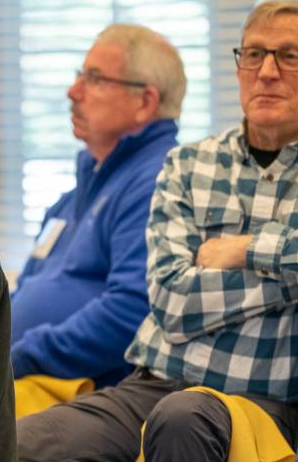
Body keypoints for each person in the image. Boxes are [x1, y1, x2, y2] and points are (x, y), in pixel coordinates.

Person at [11, 0, 298, 462]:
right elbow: (173, 300)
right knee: (2, 453)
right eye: (254, 54)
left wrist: (248, 250)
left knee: (184, 416)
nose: (266, 71)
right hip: (147, 388)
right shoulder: (188, 165)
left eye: (290, 56)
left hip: (258, 404)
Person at [11, 24, 186, 388]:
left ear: (145, 102)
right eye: (80, 76)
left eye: (94, 79)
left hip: (83, 389)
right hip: (25, 378)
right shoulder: (74, 198)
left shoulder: (158, 181)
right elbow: (30, 287)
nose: (72, 91)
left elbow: (131, 313)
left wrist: (17, 356)